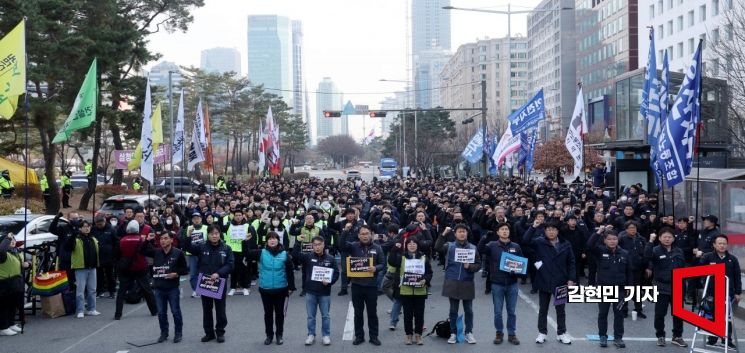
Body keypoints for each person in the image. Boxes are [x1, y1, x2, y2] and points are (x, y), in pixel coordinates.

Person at [522, 221, 575, 345]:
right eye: (548, 229)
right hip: (544, 280)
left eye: (553, 229)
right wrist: (532, 226)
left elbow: (571, 262)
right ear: (545, 231)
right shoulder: (539, 242)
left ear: (558, 231)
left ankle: (561, 333)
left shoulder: (565, 244)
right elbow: (525, 241)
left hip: (561, 281)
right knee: (543, 309)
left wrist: (571, 278)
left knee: (560, 309)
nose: (551, 232)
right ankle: (542, 333)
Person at [182, 225, 234, 343]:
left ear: (219, 234)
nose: (214, 236)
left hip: (219, 282)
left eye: (216, 233)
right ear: (208, 235)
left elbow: (230, 265)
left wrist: (219, 273)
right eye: (212, 233)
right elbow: (186, 247)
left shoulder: (226, 248)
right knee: (207, 309)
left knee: (220, 309)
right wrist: (188, 236)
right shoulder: (201, 247)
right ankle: (209, 333)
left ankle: (220, 332)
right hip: (205, 282)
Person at [245, 232, 296, 345]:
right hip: (265, 289)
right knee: (268, 314)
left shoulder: (284, 254)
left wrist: (291, 287)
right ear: (267, 241)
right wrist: (246, 242)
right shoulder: (261, 252)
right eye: (270, 239)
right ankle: (269, 335)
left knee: (279, 314)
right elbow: (247, 254)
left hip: (281, 289)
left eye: (274, 238)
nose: (272, 241)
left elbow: (289, 272)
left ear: (278, 240)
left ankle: (279, 335)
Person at [339, 224, 385, 346]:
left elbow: (382, 264)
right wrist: (345, 230)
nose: (365, 236)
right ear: (358, 235)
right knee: (358, 313)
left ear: (371, 234)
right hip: (357, 285)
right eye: (362, 234)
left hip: (371, 286)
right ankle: (359, 336)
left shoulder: (377, 248)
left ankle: (374, 336)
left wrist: (375, 268)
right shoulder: (353, 246)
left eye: (367, 233)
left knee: (372, 313)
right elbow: (341, 245)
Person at [435, 223, 481, 344]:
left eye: (464, 231)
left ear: (467, 233)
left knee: (469, 310)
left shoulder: (473, 248)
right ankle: (453, 333)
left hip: (467, 282)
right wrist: (443, 234)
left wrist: (470, 266)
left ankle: (469, 332)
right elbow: (437, 247)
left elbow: (478, 265)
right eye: (459, 231)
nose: (462, 233)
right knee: (453, 310)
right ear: (455, 234)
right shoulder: (449, 246)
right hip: (452, 281)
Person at [478, 222, 522, 345]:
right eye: (502, 229)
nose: (504, 231)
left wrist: (517, 271)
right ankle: (499, 333)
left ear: (509, 232)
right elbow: (480, 249)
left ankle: (512, 334)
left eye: (506, 229)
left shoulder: (516, 246)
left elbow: (523, 264)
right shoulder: (492, 245)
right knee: (498, 312)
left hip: (512, 283)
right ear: (498, 232)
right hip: (497, 283)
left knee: (511, 311)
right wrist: (484, 237)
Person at [586, 230, 632, 348]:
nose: (612, 241)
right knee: (603, 313)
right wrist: (598, 233)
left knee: (619, 314)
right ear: (605, 240)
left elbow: (629, 272)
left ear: (618, 240)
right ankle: (602, 336)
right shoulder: (600, 251)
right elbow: (589, 245)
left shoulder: (625, 253)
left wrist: (630, 287)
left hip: (620, 289)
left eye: (614, 239)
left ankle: (618, 337)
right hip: (604, 289)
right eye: (609, 239)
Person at [141, 231, 188, 343]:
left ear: (171, 240)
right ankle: (164, 333)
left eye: (166, 238)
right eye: (161, 238)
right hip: (158, 288)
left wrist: (176, 273)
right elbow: (141, 251)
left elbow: (185, 269)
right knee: (161, 313)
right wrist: (147, 240)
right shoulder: (156, 252)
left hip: (172, 288)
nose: (163, 241)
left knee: (175, 311)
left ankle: (178, 333)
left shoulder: (178, 253)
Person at [292, 235, 339, 346]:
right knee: (310, 316)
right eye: (315, 245)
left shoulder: (330, 259)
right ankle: (311, 334)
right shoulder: (308, 257)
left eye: (319, 244)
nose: (317, 247)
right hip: (311, 292)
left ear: (323, 245)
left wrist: (330, 281)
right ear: (312, 246)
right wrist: (298, 242)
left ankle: (326, 335)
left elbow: (336, 273)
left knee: (325, 316)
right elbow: (295, 255)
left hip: (324, 292)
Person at [645, 228, 687, 347]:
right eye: (664, 237)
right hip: (661, 287)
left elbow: (683, 267)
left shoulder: (679, 251)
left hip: (678, 286)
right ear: (659, 238)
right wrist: (650, 241)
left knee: (678, 314)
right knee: (660, 314)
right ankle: (660, 336)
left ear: (673, 238)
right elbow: (646, 257)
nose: (667, 239)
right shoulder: (655, 250)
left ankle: (677, 336)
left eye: (669, 237)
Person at [387, 237, 433, 345]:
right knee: (407, 314)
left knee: (419, 314)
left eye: (414, 243)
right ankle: (408, 335)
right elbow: (392, 262)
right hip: (405, 290)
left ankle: (418, 335)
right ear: (406, 245)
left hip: (420, 291)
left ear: (417, 245)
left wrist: (425, 280)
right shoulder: (401, 257)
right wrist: (394, 249)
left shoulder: (423, 257)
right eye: (409, 244)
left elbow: (429, 272)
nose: (412, 245)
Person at [699, 234, 741, 349]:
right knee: (712, 316)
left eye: (724, 243)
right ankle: (712, 339)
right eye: (719, 243)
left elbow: (737, 276)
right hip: (711, 292)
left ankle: (726, 340)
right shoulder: (707, 257)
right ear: (714, 245)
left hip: (728, 292)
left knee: (726, 317)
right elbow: (699, 271)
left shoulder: (732, 259)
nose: (722, 246)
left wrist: (738, 292)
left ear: (727, 245)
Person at [114, 220, 157, 320]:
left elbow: (116, 255)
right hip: (140, 268)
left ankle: (118, 314)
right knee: (147, 290)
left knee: (121, 291)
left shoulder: (122, 240)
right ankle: (154, 310)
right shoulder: (141, 240)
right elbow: (150, 252)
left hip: (126, 269)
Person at [65, 219, 100, 318]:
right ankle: (80, 310)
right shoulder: (76, 239)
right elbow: (68, 248)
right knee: (80, 291)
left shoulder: (93, 238)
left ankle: (91, 309)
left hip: (92, 267)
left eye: (88, 226)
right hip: (80, 268)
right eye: (84, 226)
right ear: (80, 228)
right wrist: (72, 236)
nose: (87, 228)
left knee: (92, 290)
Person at [0, 233, 27, 336]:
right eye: (10, 241)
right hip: (4, 282)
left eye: (13, 239)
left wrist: (26, 264)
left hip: (15, 282)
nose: (13, 241)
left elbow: (20, 264)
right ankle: (3, 327)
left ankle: (11, 323)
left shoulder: (16, 252)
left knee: (13, 305)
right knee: (4, 306)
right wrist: (7, 238)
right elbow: (1, 250)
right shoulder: (3, 254)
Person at [224, 209, 254, 296]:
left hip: (243, 251)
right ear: (234, 216)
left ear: (243, 216)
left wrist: (248, 244)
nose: (238, 217)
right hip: (232, 251)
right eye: (236, 215)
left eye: (239, 215)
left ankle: (245, 288)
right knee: (233, 270)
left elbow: (252, 238)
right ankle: (233, 288)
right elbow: (221, 229)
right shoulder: (229, 225)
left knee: (244, 270)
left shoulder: (248, 226)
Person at [91, 215, 117, 299]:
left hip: (109, 256)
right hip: (98, 256)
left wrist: (114, 254)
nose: (99, 226)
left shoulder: (111, 229)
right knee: (99, 275)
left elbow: (116, 242)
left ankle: (112, 291)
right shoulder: (93, 229)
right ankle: (100, 291)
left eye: (101, 224)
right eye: (98, 224)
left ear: (104, 221)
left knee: (110, 275)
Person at [184, 212, 207, 297]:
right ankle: (195, 290)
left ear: (201, 219)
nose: (196, 220)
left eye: (198, 218)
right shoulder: (188, 228)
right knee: (193, 273)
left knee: (203, 272)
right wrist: (189, 235)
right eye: (194, 219)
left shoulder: (206, 228)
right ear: (192, 220)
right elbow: (185, 241)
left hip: (203, 253)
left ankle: (203, 289)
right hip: (192, 254)